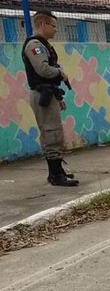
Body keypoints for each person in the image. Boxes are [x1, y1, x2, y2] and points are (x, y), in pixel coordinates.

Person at [23, 10, 78, 187]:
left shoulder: (44, 45)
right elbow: (43, 70)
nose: (55, 30)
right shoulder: (35, 45)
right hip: (42, 94)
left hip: (48, 93)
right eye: (53, 26)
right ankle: (55, 175)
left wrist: (57, 95)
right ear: (42, 24)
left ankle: (57, 171)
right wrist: (61, 73)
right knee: (51, 133)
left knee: (54, 132)